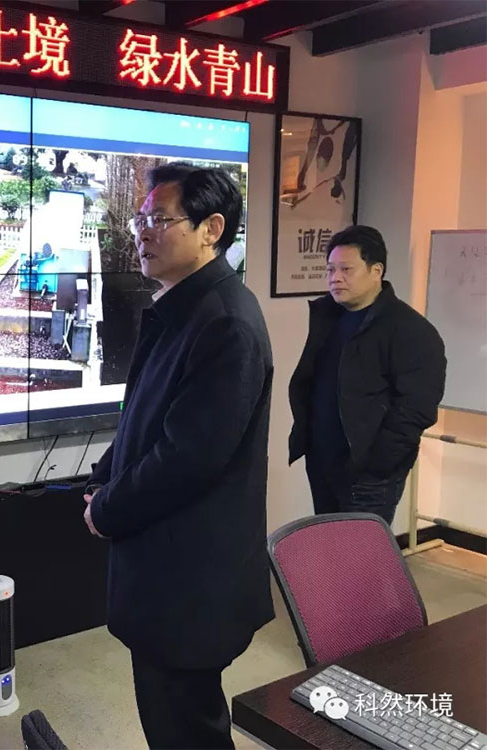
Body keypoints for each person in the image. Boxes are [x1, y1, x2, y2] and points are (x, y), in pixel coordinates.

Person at [85, 163, 274, 749]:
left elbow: (186, 459)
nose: (142, 231)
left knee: (186, 730)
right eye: (140, 219)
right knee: (171, 719)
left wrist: (107, 509)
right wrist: (105, 475)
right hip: (168, 571)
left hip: (189, 582)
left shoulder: (224, 323)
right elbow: (147, 419)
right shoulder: (184, 308)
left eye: (159, 219)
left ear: (211, 229)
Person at [289, 225, 446, 525]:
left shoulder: (410, 330)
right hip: (322, 462)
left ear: (376, 271)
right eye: (330, 269)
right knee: (330, 545)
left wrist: (377, 464)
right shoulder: (328, 316)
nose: (335, 278)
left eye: (346, 269)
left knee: (360, 551)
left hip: (369, 474)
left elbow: (417, 407)